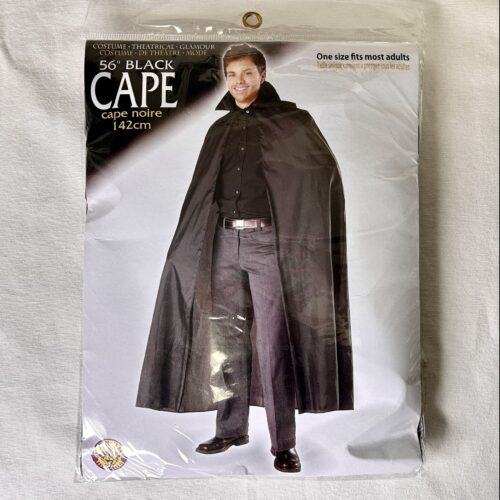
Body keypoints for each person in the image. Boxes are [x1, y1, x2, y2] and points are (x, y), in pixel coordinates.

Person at [136, 43, 353, 474]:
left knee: (274, 343)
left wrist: (299, 229)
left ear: (262, 75)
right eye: (232, 74)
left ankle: (283, 444)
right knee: (226, 338)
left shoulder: (293, 121)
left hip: (268, 243)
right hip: (222, 242)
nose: (239, 82)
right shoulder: (219, 129)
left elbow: (322, 174)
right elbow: (202, 191)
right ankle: (231, 429)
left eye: (247, 73)